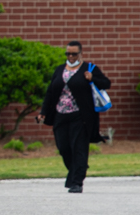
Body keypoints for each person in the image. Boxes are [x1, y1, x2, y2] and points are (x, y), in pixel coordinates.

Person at [35, 40, 111, 194]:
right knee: (63, 148)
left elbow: (106, 83)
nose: (70, 56)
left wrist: (92, 78)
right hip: (60, 115)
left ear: (80, 53)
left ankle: (77, 182)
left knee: (79, 148)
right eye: (68, 53)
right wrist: (43, 111)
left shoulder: (90, 68)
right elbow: (50, 93)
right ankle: (78, 168)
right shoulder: (59, 70)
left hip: (81, 116)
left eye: (74, 53)